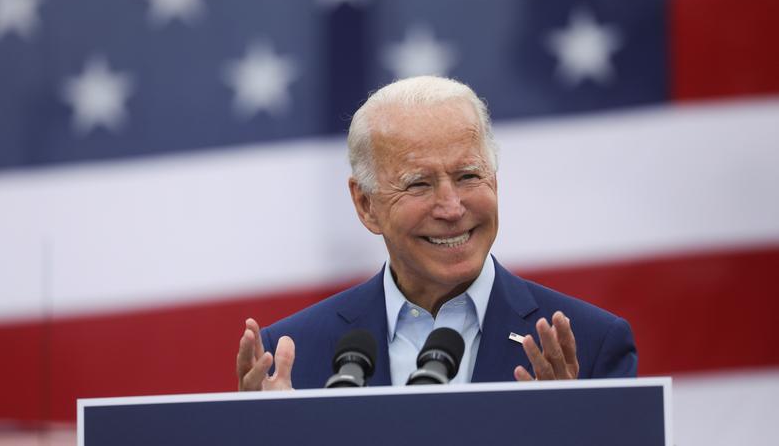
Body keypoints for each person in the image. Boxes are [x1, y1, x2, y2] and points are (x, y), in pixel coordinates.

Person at [236, 76, 637, 391]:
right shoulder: (289, 357)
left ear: (494, 183)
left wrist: (576, 429)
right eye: (419, 184)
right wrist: (269, 432)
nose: (451, 207)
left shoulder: (592, 345)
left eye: (468, 176)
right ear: (366, 204)